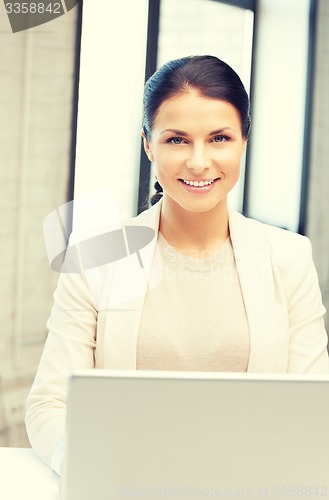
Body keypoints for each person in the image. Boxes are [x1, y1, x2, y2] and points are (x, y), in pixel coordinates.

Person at [25, 55, 329, 477]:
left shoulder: (288, 257)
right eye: (177, 140)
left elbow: (312, 406)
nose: (199, 161)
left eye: (219, 138)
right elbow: (49, 405)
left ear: (245, 140)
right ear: (148, 143)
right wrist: (84, 465)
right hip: (126, 483)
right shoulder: (100, 254)